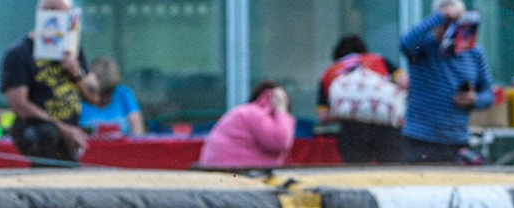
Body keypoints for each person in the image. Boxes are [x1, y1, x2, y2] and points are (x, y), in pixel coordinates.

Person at [1, 0, 97, 166]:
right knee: (47, 135)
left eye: (59, 12)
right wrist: (61, 129)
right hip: (36, 131)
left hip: (70, 128)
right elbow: (19, 104)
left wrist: (76, 73)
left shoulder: (73, 50)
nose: (54, 16)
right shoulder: (19, 53)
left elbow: (95, 96)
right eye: (48, 10)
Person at [399, 0, 493, 164]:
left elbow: (488, 95)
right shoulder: (424, 47)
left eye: (457, 22)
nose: (452, 28)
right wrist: (441, 16)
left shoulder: (475, 53)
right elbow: (405, 43)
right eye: (447, 23)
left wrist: (474, 99)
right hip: (420, 139)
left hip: (457, 139)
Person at [317, 35, 404, 164]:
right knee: (392, 170)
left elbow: (322, 116)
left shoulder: (328, 73)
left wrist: (349, 110)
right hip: (386, 126)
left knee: (355, 172)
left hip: (352, 130)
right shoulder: (379, 60)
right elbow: (404, 82)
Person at [198, 81, 296, 168]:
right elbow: (280, 142)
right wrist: (281, 109)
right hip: (233, 173)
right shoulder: (257, 114)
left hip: (217, 170)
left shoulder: (245, 112)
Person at [79, 57, 144, 136]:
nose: (105, 97)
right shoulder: (78, 97)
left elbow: (138, 132)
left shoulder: (124, 94)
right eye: (101, 92)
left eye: (110, 91)